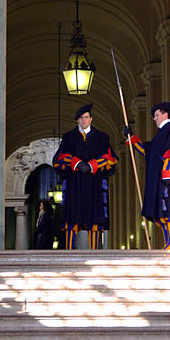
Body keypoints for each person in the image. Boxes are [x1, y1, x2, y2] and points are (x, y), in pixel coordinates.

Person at [124, 101, 170, 250]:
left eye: (156, 115)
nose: (154, 118)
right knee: (162, 213)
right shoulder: (161, 134)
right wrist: (131, 137)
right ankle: (168, 242)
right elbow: (148, 150)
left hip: (168, 180)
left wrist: (167, 172)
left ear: (165, 114)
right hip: (159, 181)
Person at [53, 104, 118, 250]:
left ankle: (94, 252)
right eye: (81, 118)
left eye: (86, 117)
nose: (84, 121)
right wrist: (76, 163)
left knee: (94, 218)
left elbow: (111, 158)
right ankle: (69, 252)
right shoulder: (68, 138)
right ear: (77, 120)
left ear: (91, 119)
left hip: (94, 184)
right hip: (74, 184)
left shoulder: (101, 137)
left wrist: (93, 165)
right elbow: (59, 159)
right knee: (72, 216)